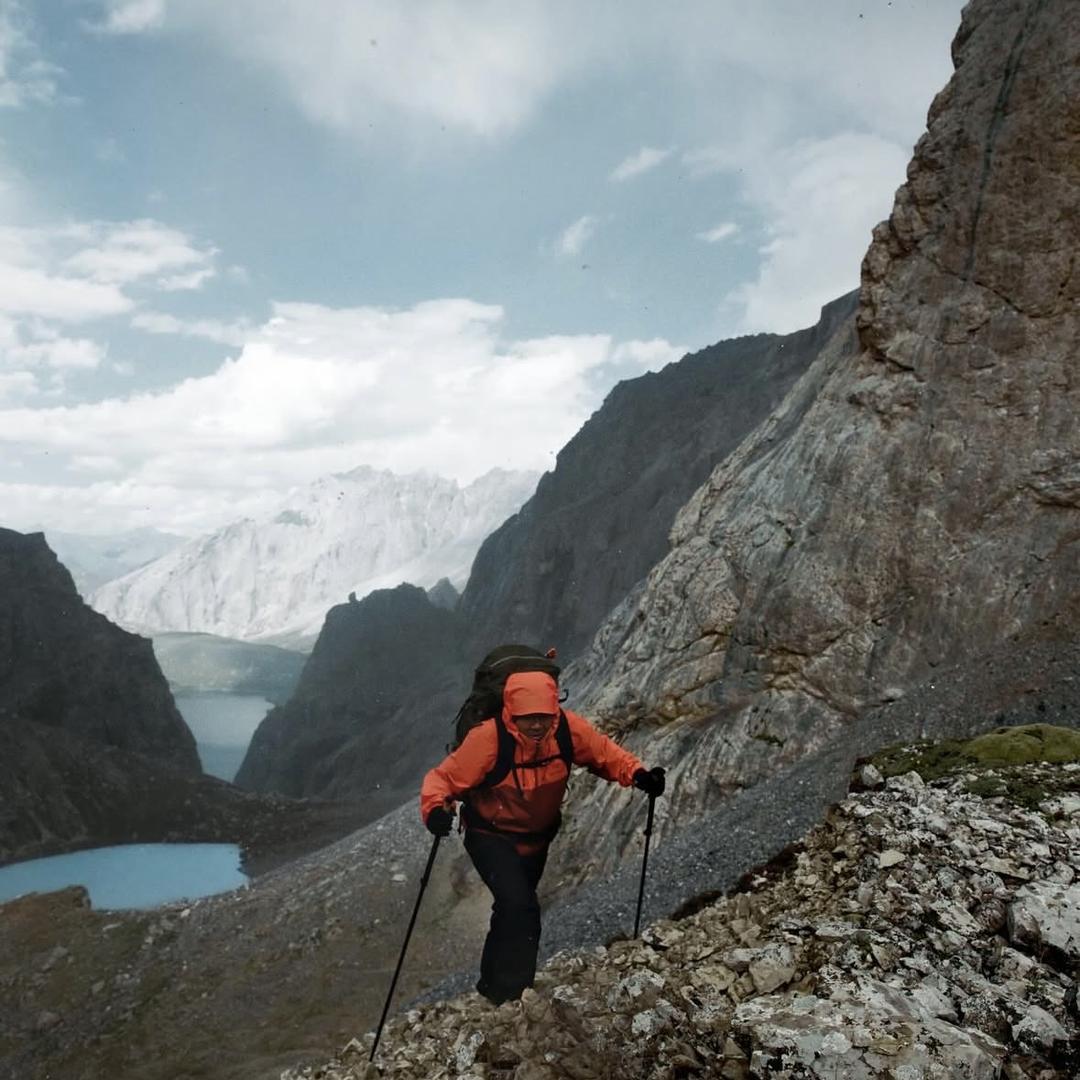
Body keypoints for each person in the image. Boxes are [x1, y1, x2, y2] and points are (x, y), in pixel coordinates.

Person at [419, 669, 666, 1005]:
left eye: (543, 717)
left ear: (554, 710)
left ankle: (491, 986)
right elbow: (443, 778)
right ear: (511, 712)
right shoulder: (488, 739)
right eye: (527, 718)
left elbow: (604, 753)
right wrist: (434, 809)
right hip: (489, 835)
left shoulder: (566, 729)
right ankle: (514, 996)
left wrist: (638, 774)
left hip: (536, 839)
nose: (536, 724)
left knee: (511, 908)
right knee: (522, 907)